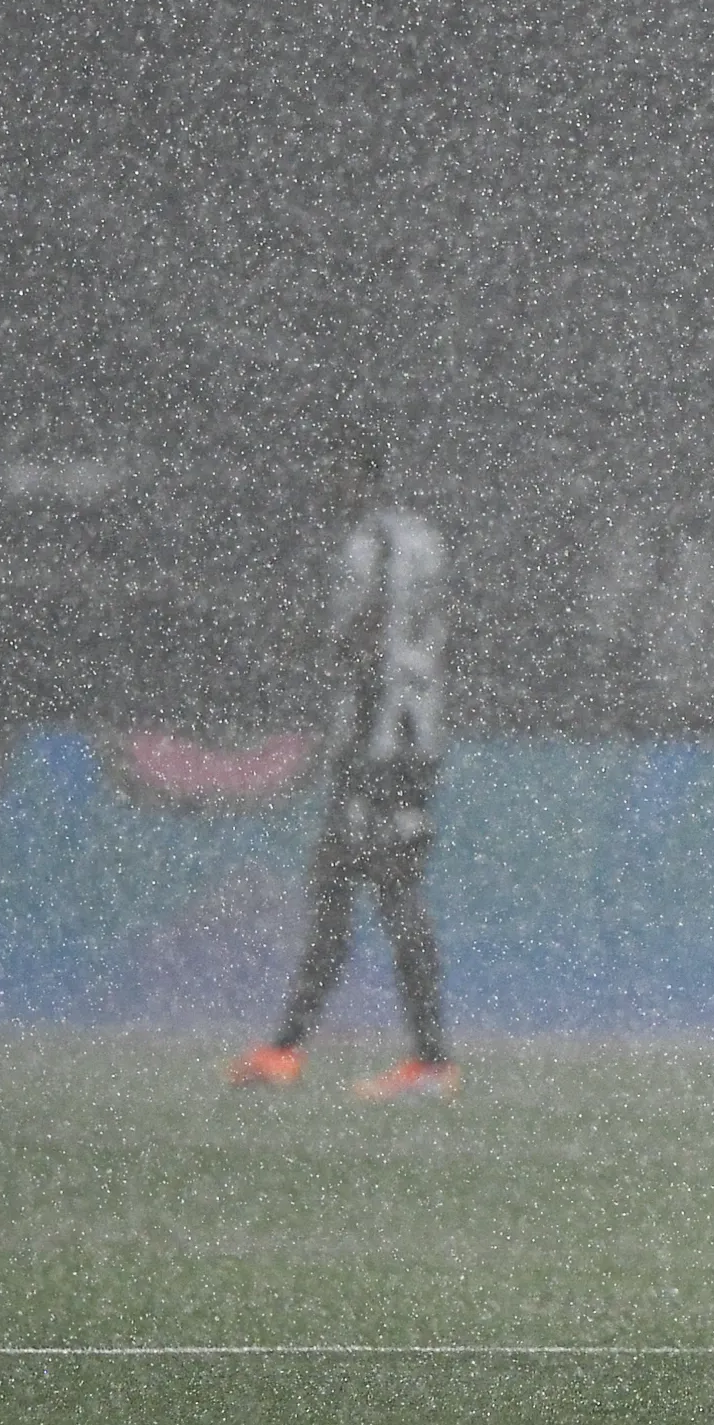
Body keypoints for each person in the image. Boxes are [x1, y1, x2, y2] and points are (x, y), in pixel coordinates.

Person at [229, 433, 458, 1102]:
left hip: (379, 744)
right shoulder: (424, 539)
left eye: (334, 472)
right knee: (351, 883)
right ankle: (290, 1047)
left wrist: (305, 649)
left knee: (380, 889)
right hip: (409, 738)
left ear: (360, 475)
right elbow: (439, 632)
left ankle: (426, 1061)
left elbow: (368, 634)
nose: (326, 486)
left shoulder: (374, 543)